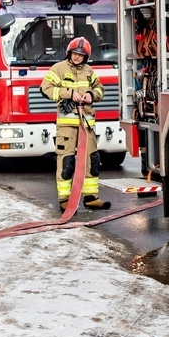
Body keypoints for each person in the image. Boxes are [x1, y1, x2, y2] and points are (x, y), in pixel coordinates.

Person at [41, 36, 110, 212]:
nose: (77, 56)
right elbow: (45, 88)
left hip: (86, 124)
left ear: (86, 56)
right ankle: (65, 200)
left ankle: (91, 197)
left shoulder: (89, 71)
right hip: (67, 126)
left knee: (92, 160)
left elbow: (100, 90)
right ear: (69, 53)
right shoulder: (58, 68)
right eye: (74, 53)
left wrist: (91, 95)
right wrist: (68, 93)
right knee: (67, 161)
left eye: (81, 54)